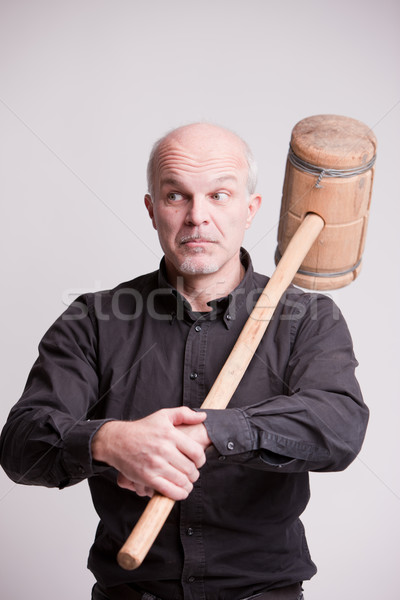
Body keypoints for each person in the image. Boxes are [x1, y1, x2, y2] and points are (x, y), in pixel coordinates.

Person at [0, 123, 369, 600]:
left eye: (219, 195)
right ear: (153, 211)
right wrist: (107, 440)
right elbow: (21, 444)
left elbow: (339, 427)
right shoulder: (94, 318)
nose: (198, 217)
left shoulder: (307, 318)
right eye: (177, 196)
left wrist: (218, 430)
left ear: (249, 210)